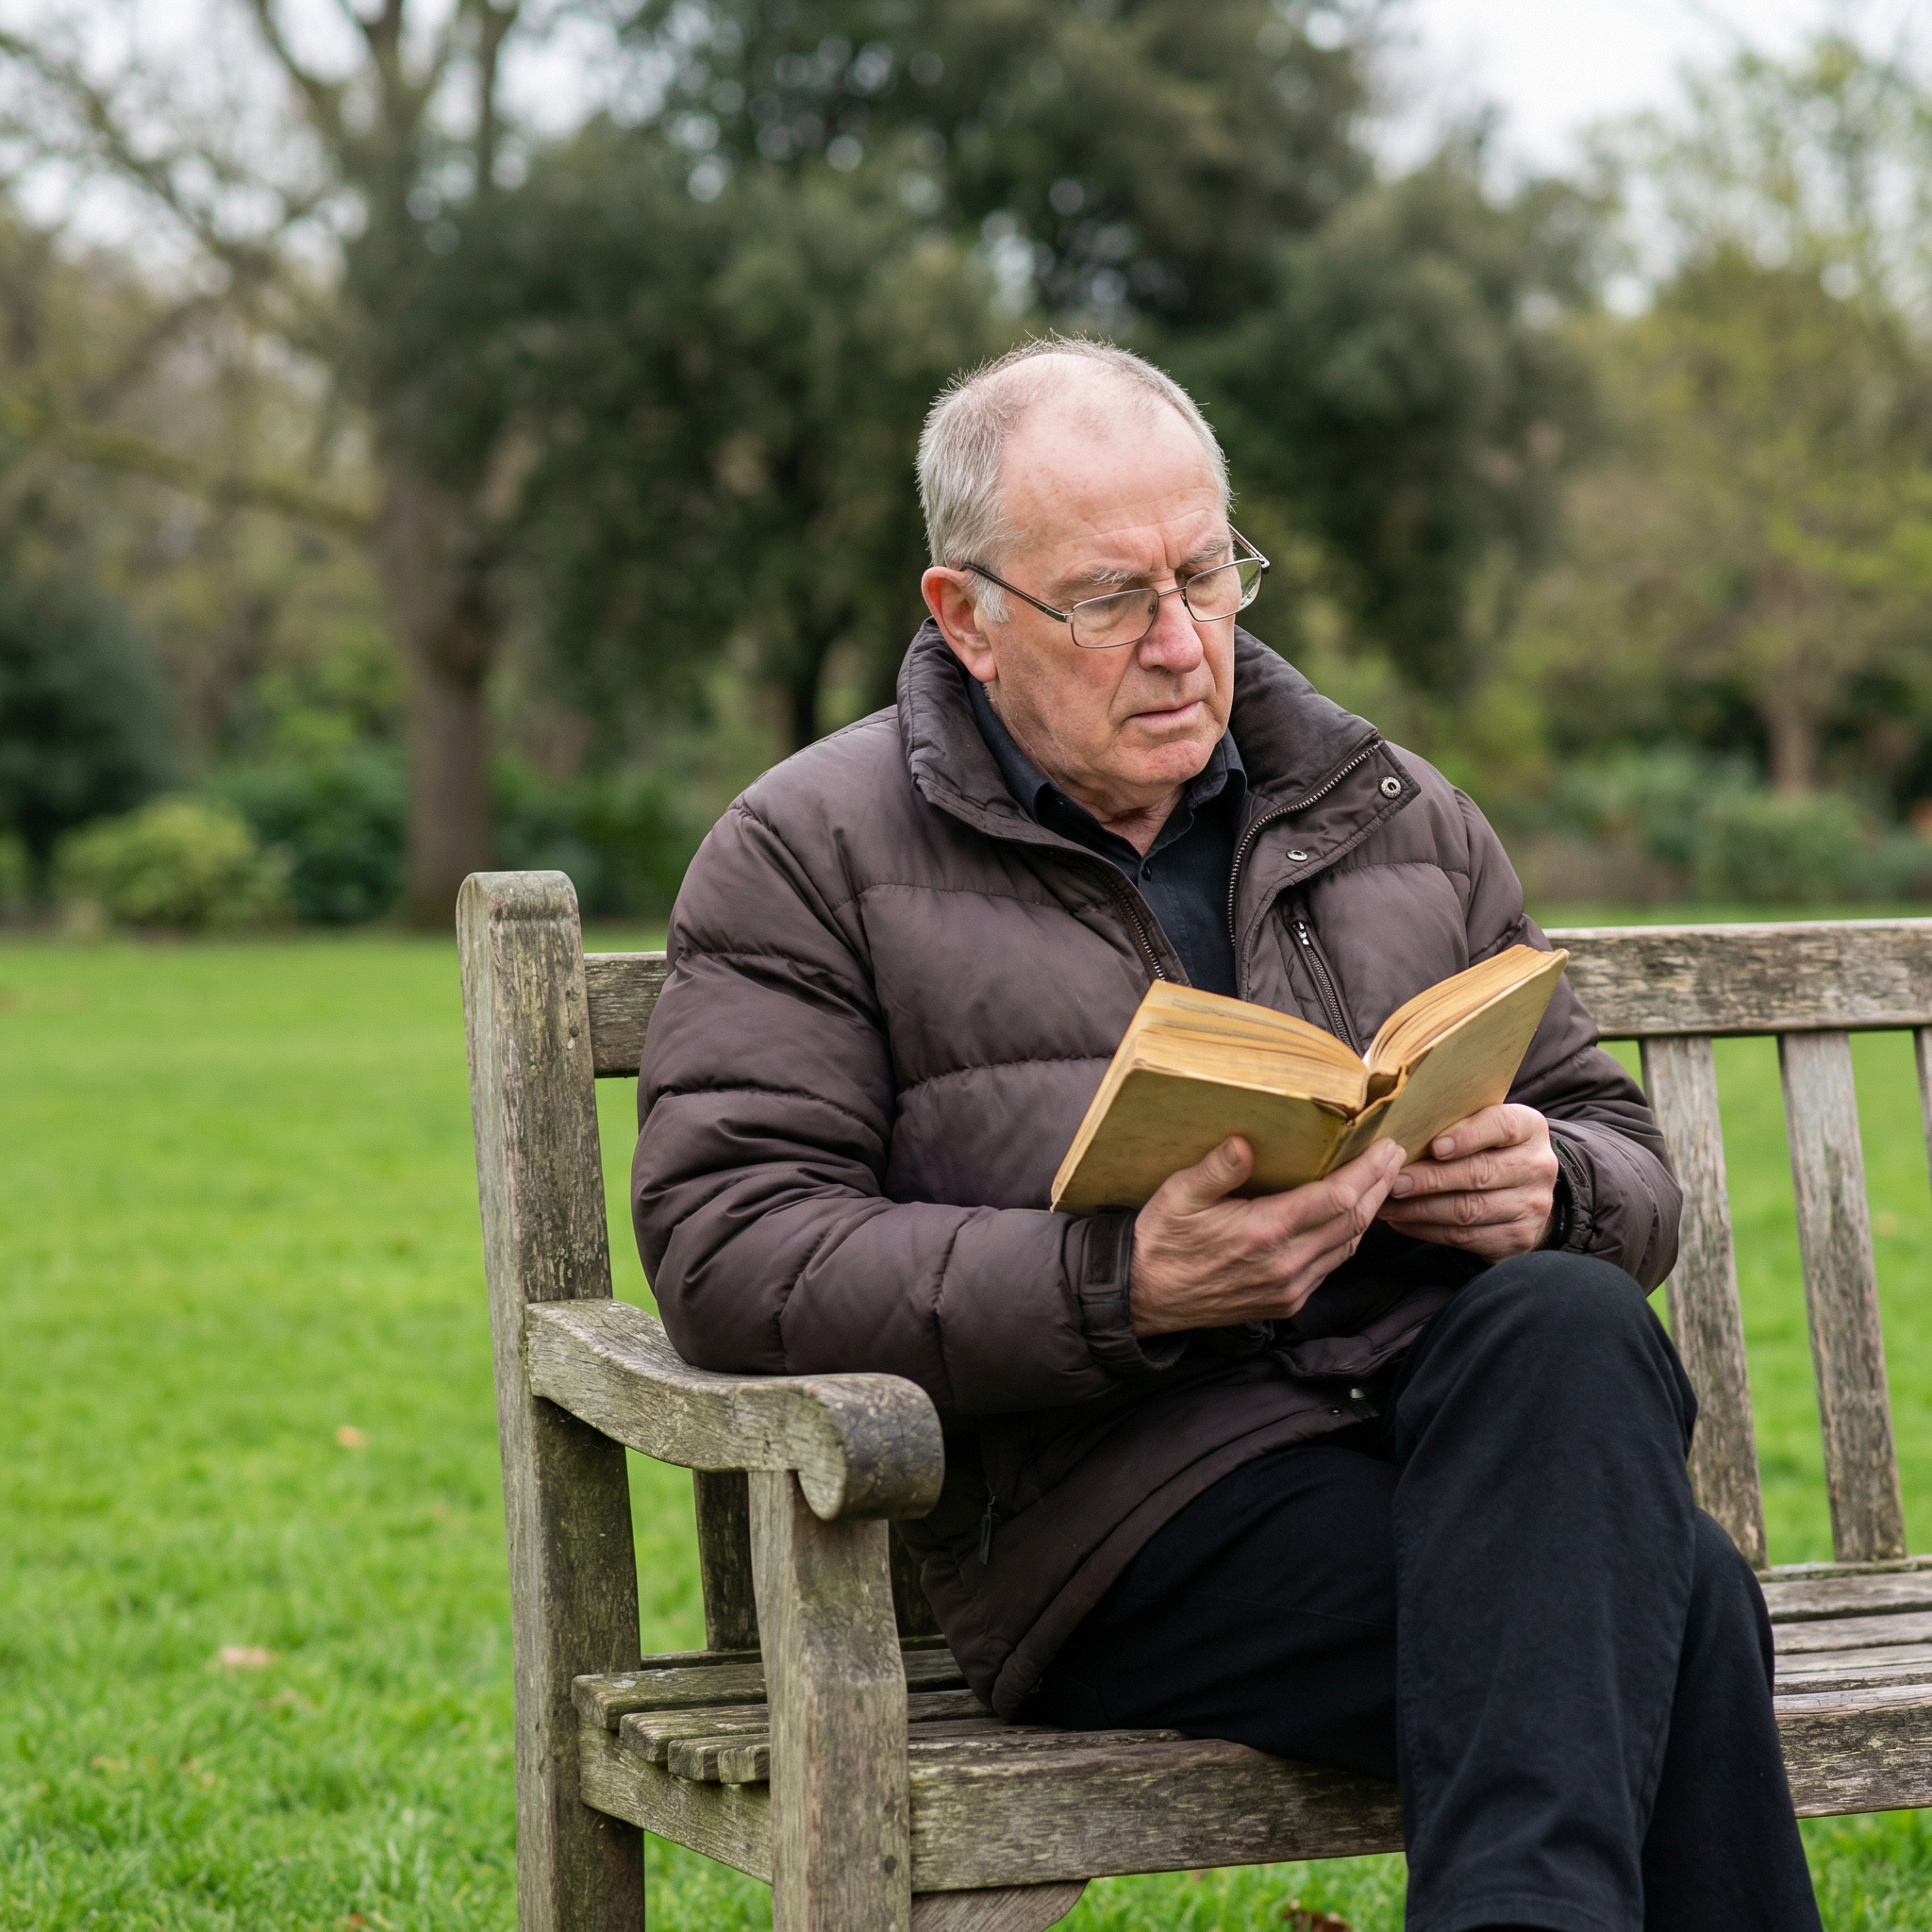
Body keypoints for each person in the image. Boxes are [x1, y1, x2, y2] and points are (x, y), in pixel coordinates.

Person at [632, 338, 1822, 1932]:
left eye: (1210, 573)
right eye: (1115, 597)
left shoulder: (1387, 805)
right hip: (1119, 1514)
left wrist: (1553, 1183)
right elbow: (733, 1249)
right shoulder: (806, 852)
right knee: (1680, 1605)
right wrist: (1118, 1285)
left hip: (1449, 1425)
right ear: (966, 616)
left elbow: (1619, 1146)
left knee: (1570, 1306)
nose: (1182, 641)